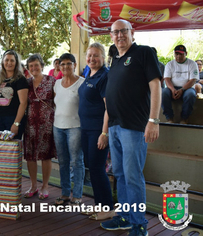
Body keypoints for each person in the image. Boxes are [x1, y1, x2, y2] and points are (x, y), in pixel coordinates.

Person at [100, 19, 162, 236]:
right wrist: (106, 130)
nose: (119, 36)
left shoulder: (143, 53)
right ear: (111, 36)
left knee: (133, 175)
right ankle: (125, 217)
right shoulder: (115, 60)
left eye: (123, 31)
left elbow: (156, 86)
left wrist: (153, 121)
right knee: (120, 174)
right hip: (116, 126)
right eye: (115, 32)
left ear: (132, 32)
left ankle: (139, 224)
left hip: (134, 127)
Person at [78, 43, 114, 220]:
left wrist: (104, 133)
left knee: (98, 168)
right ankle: (100, 206)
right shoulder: (89, 73)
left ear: (103, 57)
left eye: (96, 55)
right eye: (89, 55)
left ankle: (107, 208)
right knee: (92, 167)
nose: (92, 58)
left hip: (97, 130)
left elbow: (109, 108)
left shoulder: (104, 76)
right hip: (85, 129)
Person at [53, 53, 85, 206]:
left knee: (76, 162)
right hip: (57, 127)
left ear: (75, 65)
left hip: (75, 128)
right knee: (63, 162)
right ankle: (65, 194)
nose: (65, 66)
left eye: (68, 63)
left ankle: (77, 195)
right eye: (62, 64)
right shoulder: (57, 84)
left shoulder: (82, 83)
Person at [23, 54, 56, 200]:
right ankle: (33, 185)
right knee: (30, 156)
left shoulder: (51, 81)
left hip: (47, 124)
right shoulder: (26, 83)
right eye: (31, 66)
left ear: (42, 65)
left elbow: (58, 100)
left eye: (36, 65)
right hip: (29, 123)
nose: (34, 68)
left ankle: (45, 186)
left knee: (45, 156)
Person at [0, 50, 28, 139]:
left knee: (11, 151)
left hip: (13, 119)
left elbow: (23, 103)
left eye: (12, 60)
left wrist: (16, 123)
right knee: (0, 151)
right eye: (7, 60)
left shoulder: (20, 79)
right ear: (3, 62)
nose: (9, 63)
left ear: (16, 63)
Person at [162, 45, 198, 124]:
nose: (178, 56)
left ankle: (184, 119)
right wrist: (172, 89)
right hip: (172, 87)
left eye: (181, 54)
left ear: (186, 54)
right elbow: (167, 79)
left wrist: (182, 89)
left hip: (187, 88)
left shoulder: (192, 64)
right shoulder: (169, 64)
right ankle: (169, 118)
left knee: (190, 95)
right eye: (176, 54)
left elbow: (193, 80)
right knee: (163, 93)